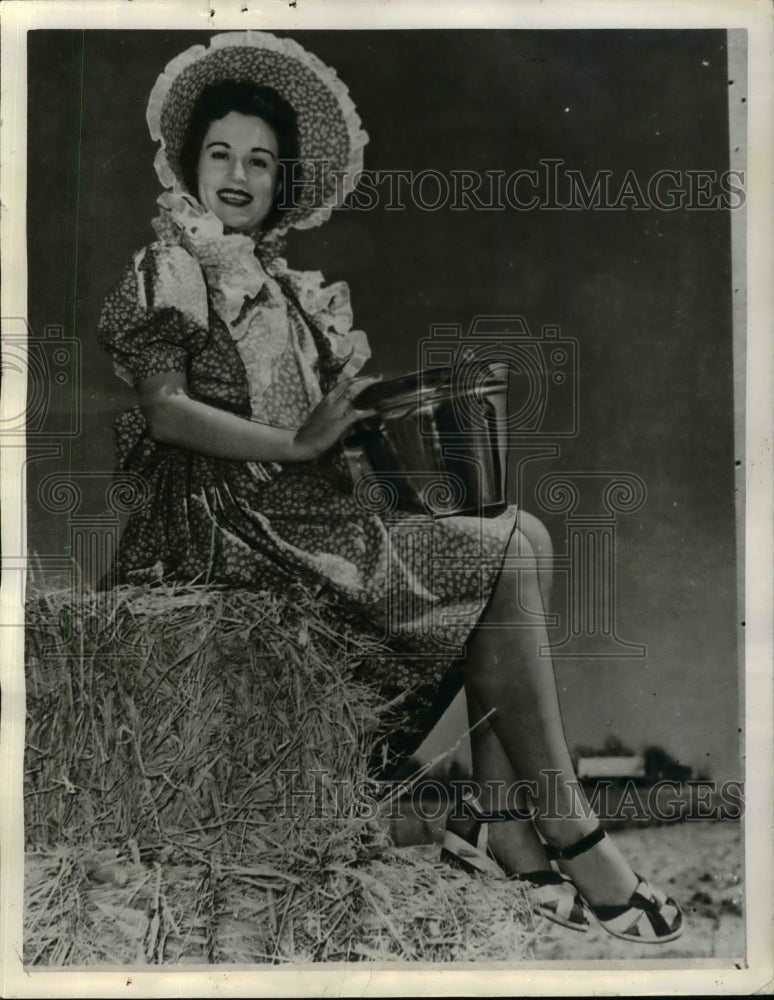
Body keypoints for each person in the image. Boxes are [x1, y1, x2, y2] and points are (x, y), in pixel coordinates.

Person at [98, 30, 682, 944]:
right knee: (500, 554)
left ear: (282, 181)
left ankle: (506, 821)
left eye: (261, 160)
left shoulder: (286, 288)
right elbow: (166, 409)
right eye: (221, 154)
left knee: (520, 533)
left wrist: (361, 430)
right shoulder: (172, 263)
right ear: (188, 164)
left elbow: (321, 425)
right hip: (222, 527)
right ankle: (565, 830)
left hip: (294, 504)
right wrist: (299, 444)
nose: (239, 175)